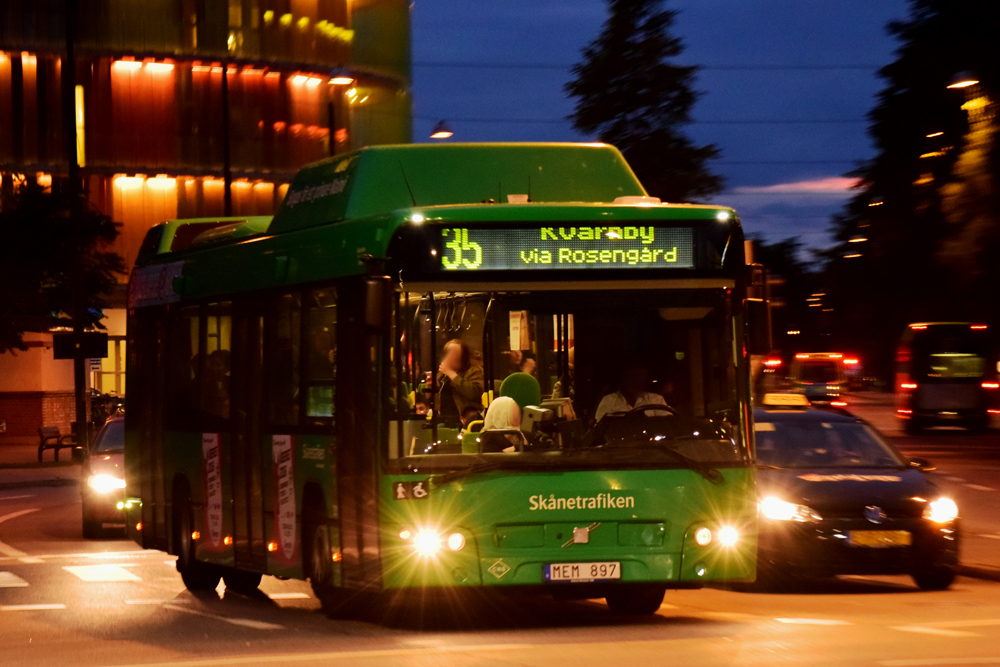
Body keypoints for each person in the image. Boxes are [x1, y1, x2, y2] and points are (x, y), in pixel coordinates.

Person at [596, 363, 669, 421]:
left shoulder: (656, 400)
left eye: (639, 377)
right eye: (631, 377)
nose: (635, 381)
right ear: (622, 379)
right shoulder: (609, 401)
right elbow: (599, 430)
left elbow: (669, 425)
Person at [437, 339, 484, 422]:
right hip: (444, 418)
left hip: (463, 419)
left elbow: (475, 393)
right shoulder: (442, 374)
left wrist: (452, 375)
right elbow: (434, 400)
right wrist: (431, 386)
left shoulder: (474, 371)